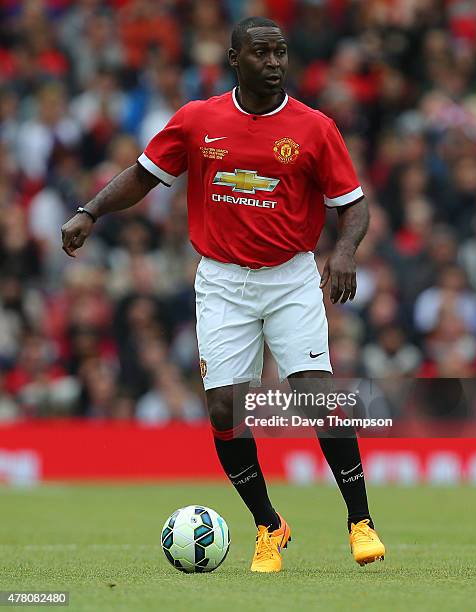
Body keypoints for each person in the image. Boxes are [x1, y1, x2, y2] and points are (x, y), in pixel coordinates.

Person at [61, 16, 385, 573]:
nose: (275, 62)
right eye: (261, 53)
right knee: (222, 409)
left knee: (317, 396)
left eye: (280, 52)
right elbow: (143, 175)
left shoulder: (314, 127)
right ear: (235, 59)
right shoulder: (197, 120)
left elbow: (353, 203)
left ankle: (360, 521)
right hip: (222, 282)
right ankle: (267, 525)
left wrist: (346, 250)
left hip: (290, 277)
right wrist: (91, 211)